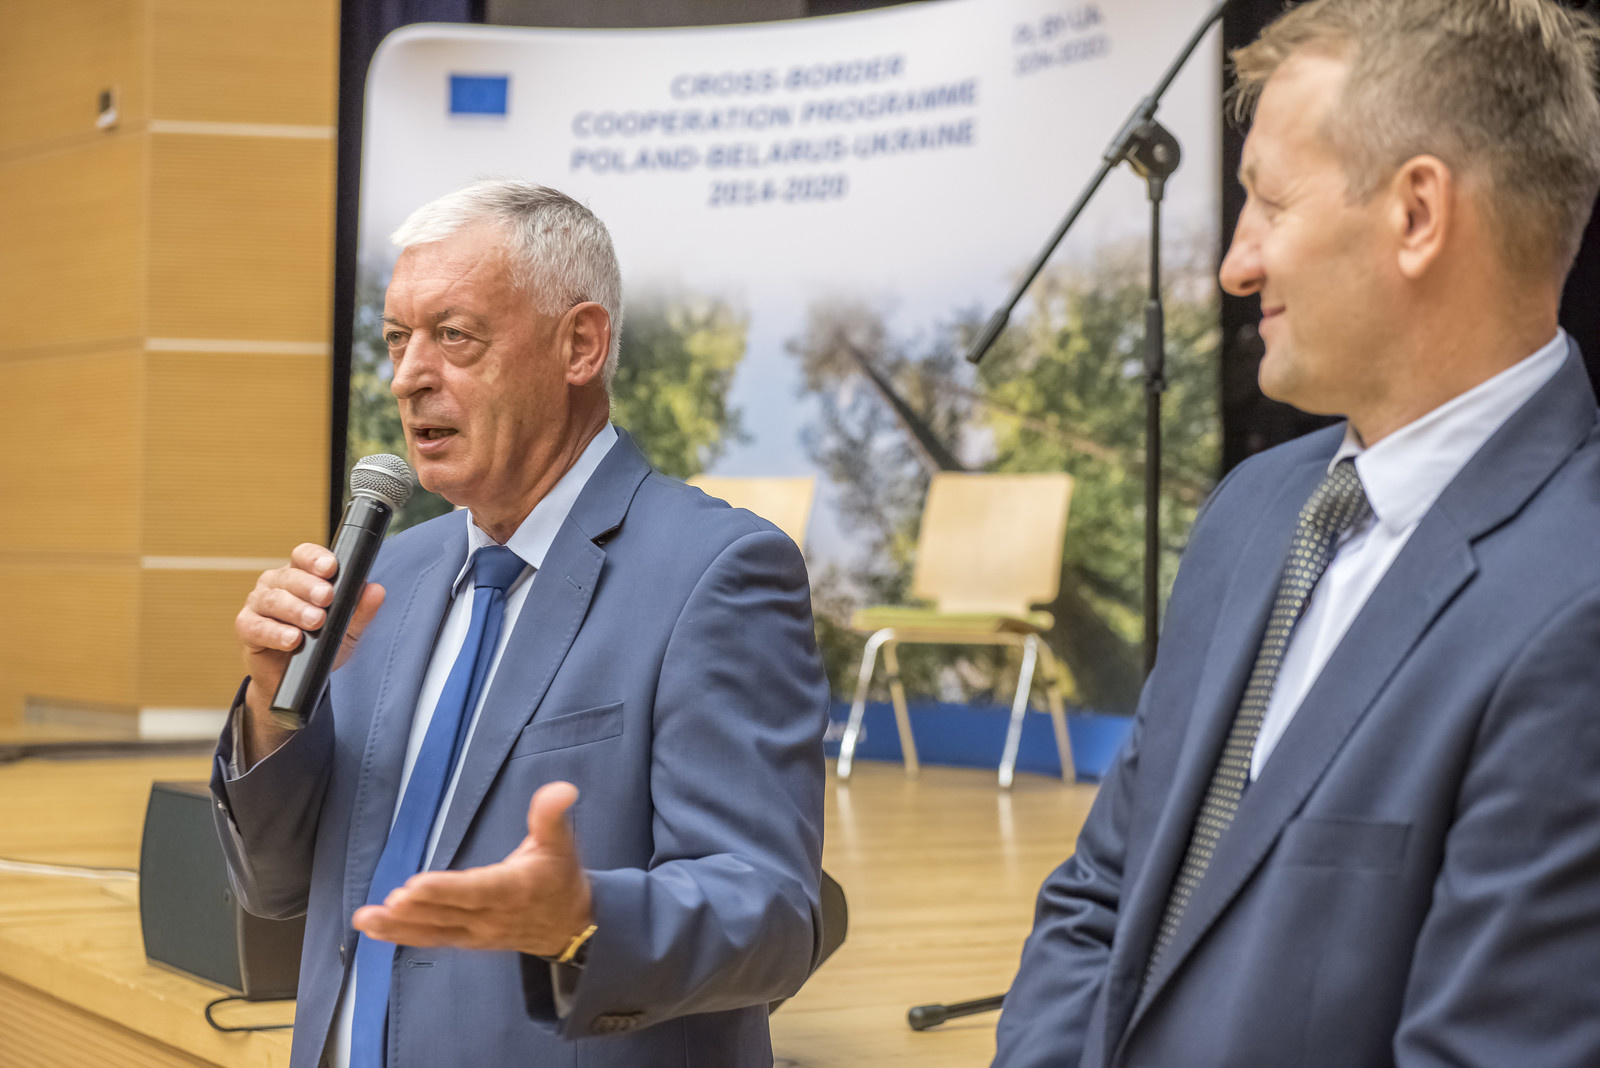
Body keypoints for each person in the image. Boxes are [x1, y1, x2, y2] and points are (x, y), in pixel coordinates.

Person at [994, 1, 1600, 1065]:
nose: (1236, 264)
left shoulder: (1574, 609)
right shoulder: (1253, 512)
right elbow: (1101, 900)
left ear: (1417, 212)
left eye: (1269, 202)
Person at [210, 180, 830, 1068]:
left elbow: (771, 918)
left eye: (454, 335)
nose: (408, 375)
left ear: (581, 345)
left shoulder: (716, 572)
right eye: (397, 338)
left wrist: (584, 922)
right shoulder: (386, 576)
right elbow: (274, 889)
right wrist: (274, 712)